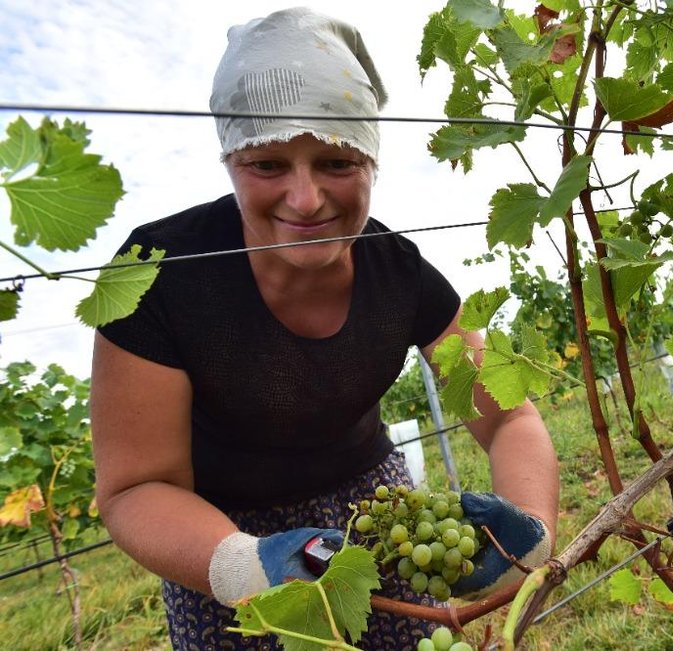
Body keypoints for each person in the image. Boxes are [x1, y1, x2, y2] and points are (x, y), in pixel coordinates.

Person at [89, 8, 559, 651]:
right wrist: (243, 565)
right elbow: (138, 488)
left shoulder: (400, 274)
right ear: (229, 159)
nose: (305, 200)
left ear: (372, 161)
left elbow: (508, 417)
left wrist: (531, 527)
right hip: (211, 533)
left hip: (379, 516)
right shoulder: (156, 276)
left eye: (337, 162)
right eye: (267, 164)